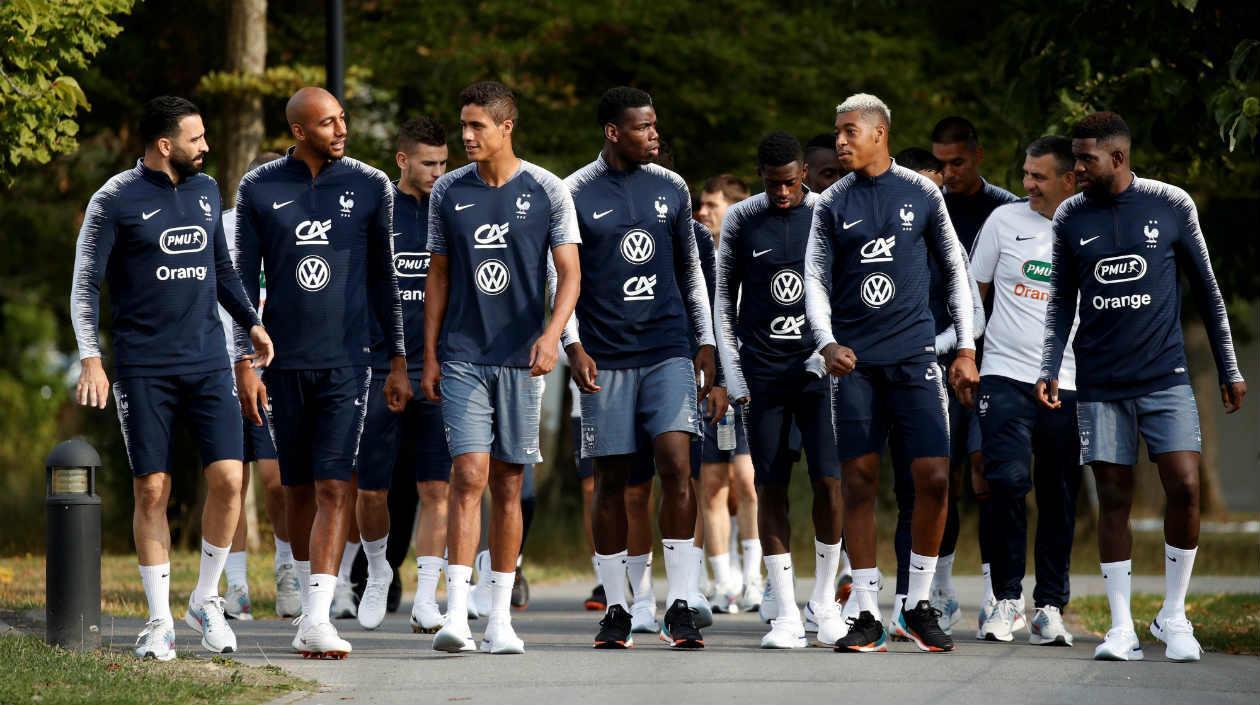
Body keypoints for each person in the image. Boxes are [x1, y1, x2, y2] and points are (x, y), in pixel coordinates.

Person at [1038, 111, 1246, 663]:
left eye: (1086, 159)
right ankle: (1121, 627)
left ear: (1118, 157)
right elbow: (1061, 302)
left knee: (1185, 485)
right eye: (1075, 158)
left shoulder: (1171, 203)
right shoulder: (1069, 216)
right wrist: (1049, 366)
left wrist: (1228, 368)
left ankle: (1173, 615)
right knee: (1114, 498)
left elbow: (1208, 291)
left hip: (1164, 376)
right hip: (1099, 382)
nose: (1077, 168)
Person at [71, 96, 272, 660]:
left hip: (207, 361)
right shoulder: (114, 198)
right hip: (144, 367)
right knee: (152, 489)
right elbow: (85, 283)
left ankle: (205, 600)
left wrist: (252, 323)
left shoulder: (207, 191)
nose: (205, 146)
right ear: (165, 145)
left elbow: (223, 270)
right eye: (196, 138)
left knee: (229, 481)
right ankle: (159, 621)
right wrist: (91, 357)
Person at [233, 86, 411, 659]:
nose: (341, 129)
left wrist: (398, 359)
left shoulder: (371, 184)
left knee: (336, 484)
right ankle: (307, 598)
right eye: (328, 122)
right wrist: (244, 362)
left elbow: (385, 278)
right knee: (296, 488)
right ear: (299, 131)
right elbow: (242, 282)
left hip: (349, 362)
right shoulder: (259, 187)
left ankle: (315, 617)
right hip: (281, 364)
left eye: (343, 118)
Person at [804, 93, 978, 654]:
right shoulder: (831, 203)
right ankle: (864, 610)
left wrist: (965, 348)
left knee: (933, 478)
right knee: (858, 481)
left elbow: (955, 272)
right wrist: (827, 342)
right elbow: (814, 279)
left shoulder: (922, 193)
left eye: (849, 132)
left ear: (879, 133)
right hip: (855, 364)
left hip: (915, 359)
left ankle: (917, 605)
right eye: (837, 133)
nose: (839, 142)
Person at [422, 81, 581, 655]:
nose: (466, 136)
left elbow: (571, 275)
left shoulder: (547, 189)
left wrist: (552, 337)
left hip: (522, 358)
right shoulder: (448, 190)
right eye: (463, 124)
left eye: (477, 126)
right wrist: (431, 353)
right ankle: (456, 616)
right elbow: (438, 276)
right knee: (468, 476)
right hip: (463, 354)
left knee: (510, 485)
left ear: (506, 127)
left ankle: (500, 619)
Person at [563, 86, 719, 650]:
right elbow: (563, 278)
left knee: (676, 464)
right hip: (605, 355)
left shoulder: (671, 186)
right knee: (611, 479)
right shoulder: (572, 191)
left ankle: (680, 603)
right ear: (613, 132)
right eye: (642, 127)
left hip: (667, 349)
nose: (654, 134)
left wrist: (705, 340)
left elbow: (690, 271)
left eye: (655, 125)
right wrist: (572, 345)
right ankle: (618, 608)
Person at [316, 115, 450, 633]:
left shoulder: (450, 211)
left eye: (444, 164)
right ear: (402, 160)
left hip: (436, 368)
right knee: (371, 491)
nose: (438, 173)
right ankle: (376, 571)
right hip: (376, 368)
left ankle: (427, 596)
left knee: (437, 488)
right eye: (428, 163)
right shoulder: (374, 208)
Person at [714, 131, 847, 649]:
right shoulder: (742, 218)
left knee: (829, 482)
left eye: (791, 182)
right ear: (761, 177)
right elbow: (723, 303)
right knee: (770, 486)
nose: (783, 193)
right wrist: (735, 378)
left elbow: (843, 292)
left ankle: (824, 601)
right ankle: (786, 610)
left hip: (818, 372)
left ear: (804, 174)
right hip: (763, 375)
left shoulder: (826, 212)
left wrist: (830, 351)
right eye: (774, 184)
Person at [971, 135, 1081, 645]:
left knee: (1059, 493)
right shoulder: (1003, 221)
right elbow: (973, 292)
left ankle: (1050, 607)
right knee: (1007, 482)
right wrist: (966, 353)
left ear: (1069, 179)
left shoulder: (1090, 226)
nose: (1028, 184)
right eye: (1026, 174)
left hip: (1069, 381)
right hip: (1004, 375)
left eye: (1039, 176)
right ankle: (1006, 600)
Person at [928, 117, 1020, 631]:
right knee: (941, 475)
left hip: (996, 362)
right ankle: (941, 590)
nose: (948, 173)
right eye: (940, 164)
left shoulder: (1006, 209)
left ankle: (994, 592)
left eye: (957, 163)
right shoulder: (926, 204)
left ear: (978, 155)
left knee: (990, 474)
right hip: (935, 359)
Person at [215, 152, 293, 622]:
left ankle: (287, 570)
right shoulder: (221, 227)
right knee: (230, 480)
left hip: (277, 369)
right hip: (223, 366)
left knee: (277, 480)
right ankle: (237, 586)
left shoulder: (294, 224)